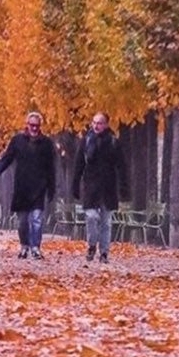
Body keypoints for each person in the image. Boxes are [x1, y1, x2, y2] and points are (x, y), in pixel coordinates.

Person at [0, 111, 56, 260]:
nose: (34, 128)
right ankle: (24, 246)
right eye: (32, 125)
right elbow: (7, 158)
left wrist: (51, 188)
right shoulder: (17, 141)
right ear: (27, 125)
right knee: (22, 222)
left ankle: (35, 248)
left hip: (39, 187)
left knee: (37, 219)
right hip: (22, 187)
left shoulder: (46, 143)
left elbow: (51, 167)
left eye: (37, 125)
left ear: (40, 126)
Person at [72, 112, 129, 264]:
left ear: (106, 125)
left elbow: (122, 167)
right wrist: (75, 185)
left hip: (108, 187)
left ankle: (104, 252)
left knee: (106, 222)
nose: (96, 126)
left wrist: (124, 188)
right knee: (91, 216)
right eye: (94, 122)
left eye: (100, 123)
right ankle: (92, 245)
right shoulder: (86, 141)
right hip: (90, 186)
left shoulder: (113, 142)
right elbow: (79, 164)